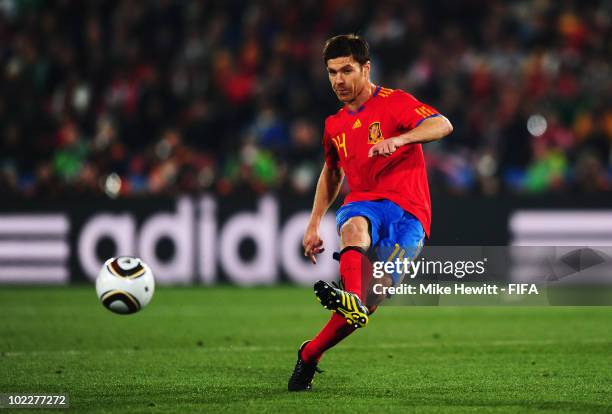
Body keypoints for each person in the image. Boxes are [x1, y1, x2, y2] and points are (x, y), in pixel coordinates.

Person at [287, 34, 453, 391]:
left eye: (346, 70)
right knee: (353, 227)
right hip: (364, 201)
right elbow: (332, 172)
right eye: (332, 73)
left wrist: (403, 139)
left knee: (366, 306)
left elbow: (443, 124)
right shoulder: (334, 125)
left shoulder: (395, 102)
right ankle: (352, 294)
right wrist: (314, 222)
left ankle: (310, 354)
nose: (338, 81)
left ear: (366, 68)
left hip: (410, 214)